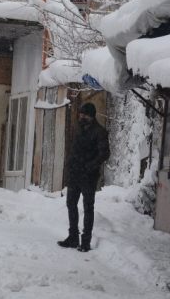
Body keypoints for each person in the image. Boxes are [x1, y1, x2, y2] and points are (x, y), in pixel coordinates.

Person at [57, 102, 110, 252]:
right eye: (80, 114)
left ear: (92, 116)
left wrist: (89, 167)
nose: (81, 117)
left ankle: (85, 241)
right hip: (74, 174)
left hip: (88, 176)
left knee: (88, 207)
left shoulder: (100, 132)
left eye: (85, 115)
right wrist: (70, 164)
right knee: (71, 204)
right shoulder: (78, 129)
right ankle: (73, 237)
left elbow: (104, 153)